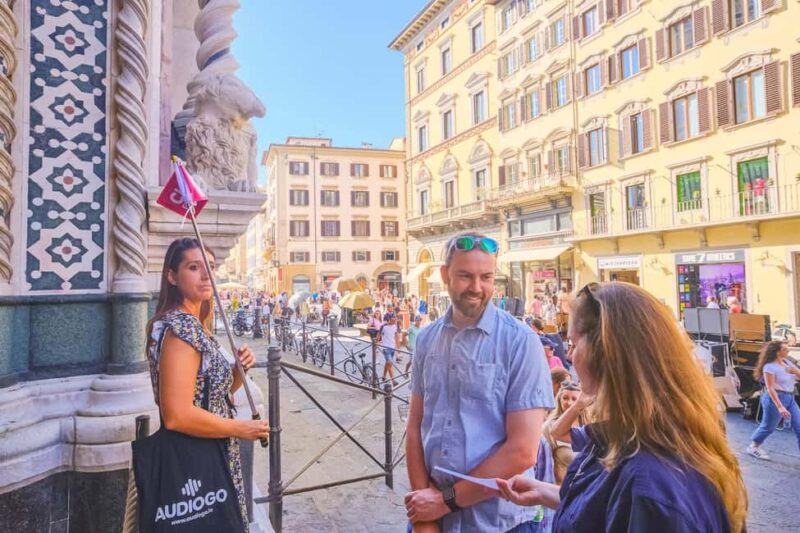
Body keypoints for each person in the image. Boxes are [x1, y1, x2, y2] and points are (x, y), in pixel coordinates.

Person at [496, 282, 747, 533]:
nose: (570, 356)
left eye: (573, 343)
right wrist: (546, 492)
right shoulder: (646, 438)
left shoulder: (648, 485)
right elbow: (607, 511)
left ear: (605, 352)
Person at [404, 233, 554, 532]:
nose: (476, 287)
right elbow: (415, 425)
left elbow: (523, 450)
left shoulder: (521, 341)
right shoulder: (427, 338)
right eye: (465, 276)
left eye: (486, 277)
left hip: (498, 523)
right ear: (445, 275)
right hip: (435, 515)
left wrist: (444, 501)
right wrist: (426, 518)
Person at [145, 238, 268, 530]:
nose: (206, 275)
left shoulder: (194, 325)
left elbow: (213, 395)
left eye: (210, 267)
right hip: (196, 458)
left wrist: (238, 370)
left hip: (212, 452)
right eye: (194, 267)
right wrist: (241, 428)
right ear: (172, 277)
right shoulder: (181, 330)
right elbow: (177, 415)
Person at [747, 341, 800, 459]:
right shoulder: (769, 367)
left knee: (799, 426)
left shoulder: (787, 362)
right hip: (774, 399)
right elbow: (770, 389)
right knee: (768, 427)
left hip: (790, 397)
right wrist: (780, 406)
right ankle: (754, 446)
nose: (788, 351)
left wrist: (796, 371)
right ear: (777, 352)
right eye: (785, 349)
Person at [542, 382, 592, 485]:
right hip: (560, 491)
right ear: (559, 400)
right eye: (565, 398)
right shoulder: (549, 427)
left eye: (574, 399)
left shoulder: (589, 426)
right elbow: (545, 465)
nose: (569, 403)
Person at [378, 313, 401, 386]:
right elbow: (378, 335)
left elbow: (397, 337)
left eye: (395, 320)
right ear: (390, 319)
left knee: (387, 363)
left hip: (392, 348)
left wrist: (398, 348)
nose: (395, 321)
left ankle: (384, 377)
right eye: (393, 320)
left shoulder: (395, 326)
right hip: (386, 348)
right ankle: (393, 381)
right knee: (390, 362)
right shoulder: (383, 327)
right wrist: (376, 344)